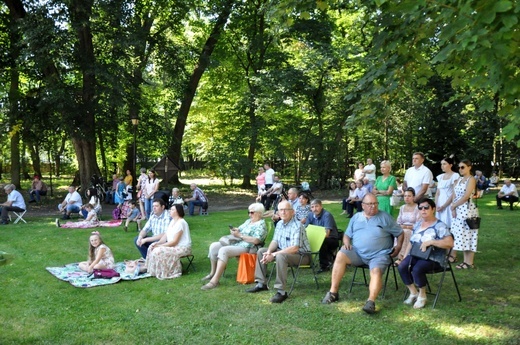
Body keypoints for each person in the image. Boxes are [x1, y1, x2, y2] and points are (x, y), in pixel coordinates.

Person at [321, 193, 403, 314]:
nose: (373, 206)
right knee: (340, 255)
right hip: (358, 253)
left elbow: (400, 232)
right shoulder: (356, 217)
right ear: (363, 205)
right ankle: (333, 292)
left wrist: (399, 246)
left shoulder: (385, 217)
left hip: (379, 254)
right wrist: (346, 242)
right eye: (370, 204)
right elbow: (347, 235)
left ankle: (371, 301)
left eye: (375, 203)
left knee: (375, 271)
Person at [246, 200, 310, 304]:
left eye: (286, 210)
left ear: (292, 212)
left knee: (281, 256)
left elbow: (294, 248)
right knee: (262, 251)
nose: (283, 212)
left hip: (302, 256)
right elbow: (275, 241)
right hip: (284, 251)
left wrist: (274, 254)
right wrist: (269, 252)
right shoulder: (280, 223)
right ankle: (261, 284)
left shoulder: (297, 226)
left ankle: (281, 292)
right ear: (278, 212)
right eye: (281, 210)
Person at [398, 198, 454, 309]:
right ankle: (413, 292)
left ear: (433, 209)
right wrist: (404, 256)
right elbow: (411, 242)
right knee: (402, 266)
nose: (423, 210)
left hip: (434, 258)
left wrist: (432, 241)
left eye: (426, 207)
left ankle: (422, 295)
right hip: (416, 254)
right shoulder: (418, 224)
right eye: (420, 208)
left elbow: (450, 243)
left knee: (417, 268)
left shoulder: (440, 226)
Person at [201, 203, 267, 290]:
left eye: (252, 212)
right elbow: (239, 229)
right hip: (238, 243)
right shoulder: (248, 221)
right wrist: (235, 230)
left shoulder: (261, 225)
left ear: (259, 213)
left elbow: (256, 240)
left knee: (224, 250)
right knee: (213, 246)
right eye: (249, 212)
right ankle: (212, 273)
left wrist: (240, 235)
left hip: (249, 247)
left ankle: (214, 281)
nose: (249, 214)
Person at [145, 204, 192, 279]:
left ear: (177, 212)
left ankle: (166, 271)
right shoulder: (172, 221)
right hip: (174, 246)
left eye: (172, 210)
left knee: (159, 250)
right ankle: (154, 270)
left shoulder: (181, 223)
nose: (170, 211)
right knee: (152, 247)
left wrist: (160, 246)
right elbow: (165, 236)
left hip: (182, 247)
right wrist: (157, 243)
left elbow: (175, 242)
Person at [450, 159, 478, 269]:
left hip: (467, 210)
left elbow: (466, 196)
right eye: (459, 167)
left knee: (469, 234)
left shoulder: (471, 179)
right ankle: (465, 261)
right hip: (457, 209)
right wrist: (453, 207)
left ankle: (469, 262)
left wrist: (454, 205)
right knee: (459, 234)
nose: (460, 169)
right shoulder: (459, 180)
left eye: (463, 167)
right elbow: (454, 194)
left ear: (469, 167)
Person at [305, 199, 339, 272]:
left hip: (332, 239)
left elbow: (327, 234)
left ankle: (324, 265)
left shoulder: (327, 215)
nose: (314, 209)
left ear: (321, 206)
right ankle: (305, 262)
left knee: (322, 241)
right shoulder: (310, 215)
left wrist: (315, 237)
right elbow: (306, 229)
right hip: (318, 237)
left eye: (316, 206)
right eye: (312, 207)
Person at [395, 188, 420, 264]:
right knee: (398, 232)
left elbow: (419, 223)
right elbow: (398, 221)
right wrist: (401, 226)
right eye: (405, 196)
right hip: (403, 228)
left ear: (413, 197)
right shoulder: (402, 207)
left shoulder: (417, 208)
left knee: (405, 232)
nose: (406, 198)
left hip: (414, 229)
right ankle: (396, 254)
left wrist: (407, 227)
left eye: (409, 196)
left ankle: (402, 257)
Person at [435, 158, 459, 235]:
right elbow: (438, 192)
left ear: (450, 165)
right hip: (440, 202)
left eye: (444, 164)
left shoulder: (455, 176)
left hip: (449, 202)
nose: (442, 166)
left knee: (449, 223)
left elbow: (454, 192)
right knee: (439, 224)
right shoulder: (440, 177)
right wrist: (436, 205)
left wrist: (444, 206)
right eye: (441, 164)